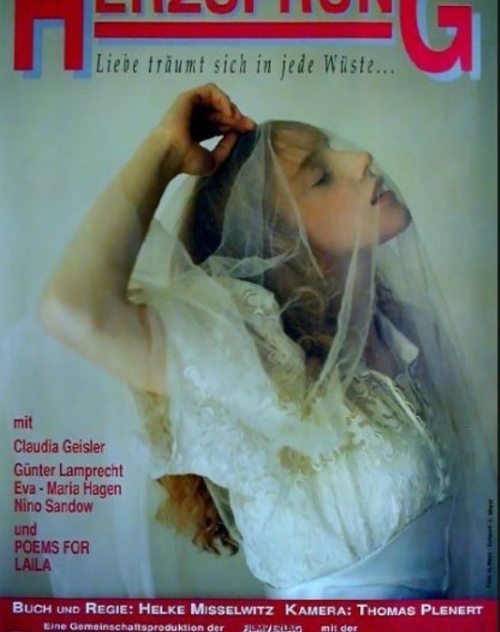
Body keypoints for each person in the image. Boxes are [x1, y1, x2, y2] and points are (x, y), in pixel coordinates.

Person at [40, 83, 496, 599]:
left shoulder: (398, 331)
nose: (362, 159)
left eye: (333, 152)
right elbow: (73, 310)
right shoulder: (254, 360)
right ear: (277, 237)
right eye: (321, 176)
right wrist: (165, 151)